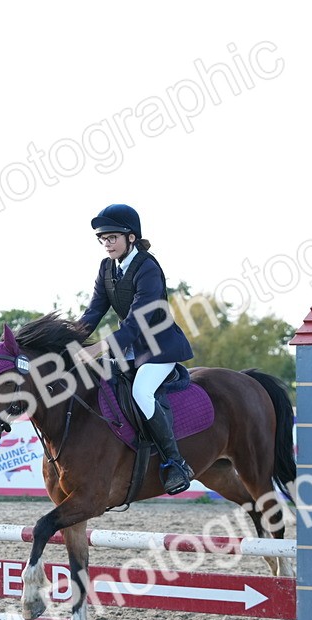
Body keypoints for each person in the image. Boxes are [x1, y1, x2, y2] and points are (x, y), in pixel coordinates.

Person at [76, 203, 195, 494]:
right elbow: (94, 311)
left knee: (141, 391)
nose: (107, 244)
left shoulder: (148, 268)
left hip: (160, 347)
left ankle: (175, 463)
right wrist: (69, 340)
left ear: (131, 237)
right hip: (129, 349)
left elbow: (137, 321)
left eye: (112, 237)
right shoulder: (107, 268)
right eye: (102, 239)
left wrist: (101, 347)